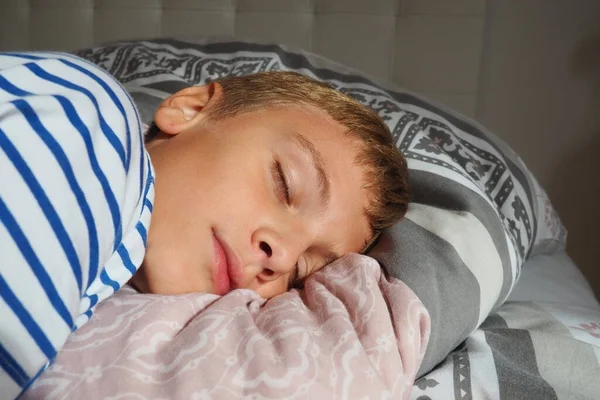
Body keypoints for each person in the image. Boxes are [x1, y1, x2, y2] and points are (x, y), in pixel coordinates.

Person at [0, 52, 408, 397]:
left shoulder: (111, 255)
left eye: (302, 271)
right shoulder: (90, 117)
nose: (281, 257)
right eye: (285, 183)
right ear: (190, 109)